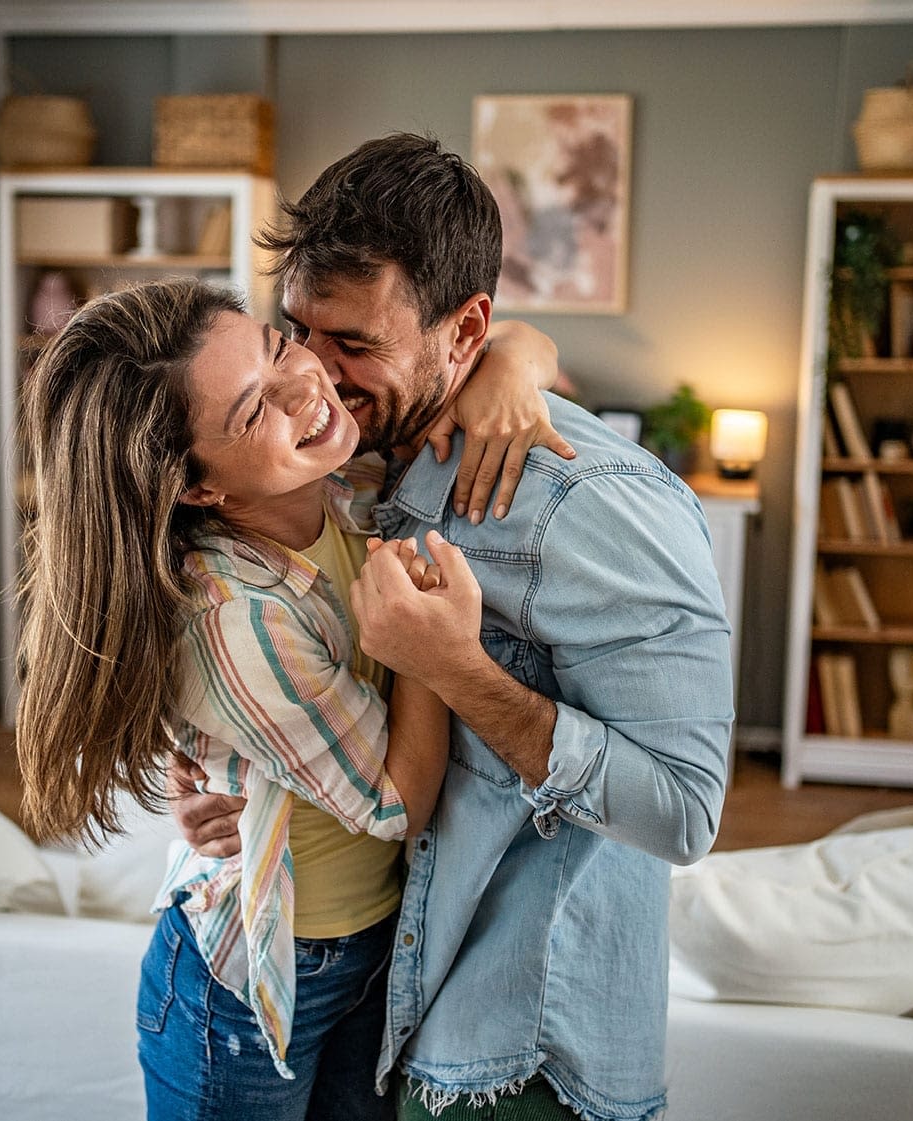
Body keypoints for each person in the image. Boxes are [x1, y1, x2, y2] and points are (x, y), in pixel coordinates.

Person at [173, 133, 734, 1121]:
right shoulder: (355, 465)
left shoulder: (590, 506)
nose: (313, 373)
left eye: (355, 345)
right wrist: (226, 782)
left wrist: (453, 667)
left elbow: (683, 811)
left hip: (519, 1046)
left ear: (464, 326)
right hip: (390, 1006)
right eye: (295, 331)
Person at [13, 276, 563, 1121]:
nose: (308, 387)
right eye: (252, 410)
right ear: (200, 488)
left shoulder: (345, 484)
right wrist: (431, 652)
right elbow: (396, 801)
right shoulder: (237, 619)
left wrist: (514, 363)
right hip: (254, 986)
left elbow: (522, 341)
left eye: (277, 348)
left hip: (377, 946)